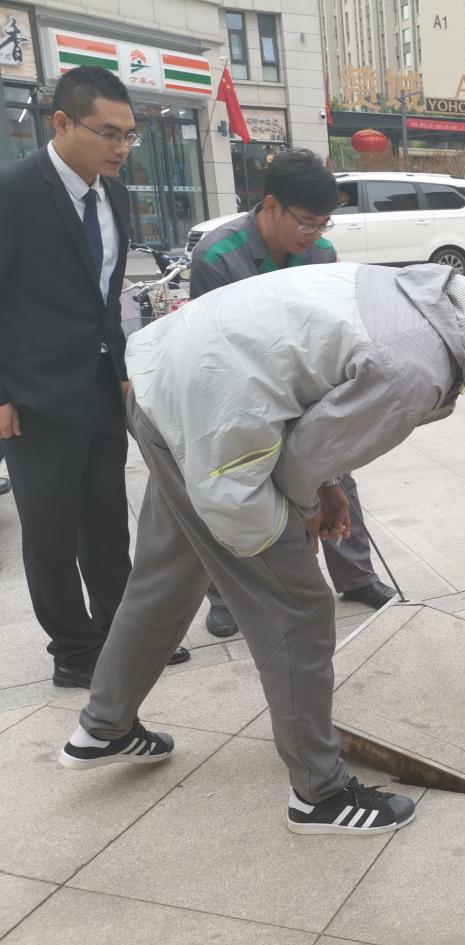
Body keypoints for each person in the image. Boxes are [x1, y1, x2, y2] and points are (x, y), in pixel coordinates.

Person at [59, 265, 465, 837]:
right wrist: (308, 506)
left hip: (170, 391)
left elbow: (318, 412)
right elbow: (296, 465)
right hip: (212, 423)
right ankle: (320, 794)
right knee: (300, 610)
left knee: (167, 574)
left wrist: (328, 484)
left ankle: (103, 727)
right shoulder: (416, 370)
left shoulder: (432, 301)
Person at [0, 66, 189, 690]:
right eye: (108, 133)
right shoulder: (12, 190)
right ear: (60, 123)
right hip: (32, 397)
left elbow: (103, 297)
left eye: (129, 135)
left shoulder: (115, 196)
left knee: (106, 518)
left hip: (102, 385)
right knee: (50, 531)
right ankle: (75, 651)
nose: (121, 147)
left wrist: (124, 367)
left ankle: (124, 629)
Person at [190, 149, 396, 641]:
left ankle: (355, 575)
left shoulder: (321, 255)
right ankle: (225, 597)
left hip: (304, 383)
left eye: (324, 224)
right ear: (271, 206)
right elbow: (213, 346)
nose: (314, 234)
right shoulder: (218, 256)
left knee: (336, 473)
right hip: (235, 387)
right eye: (307, 222)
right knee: (232, 492)